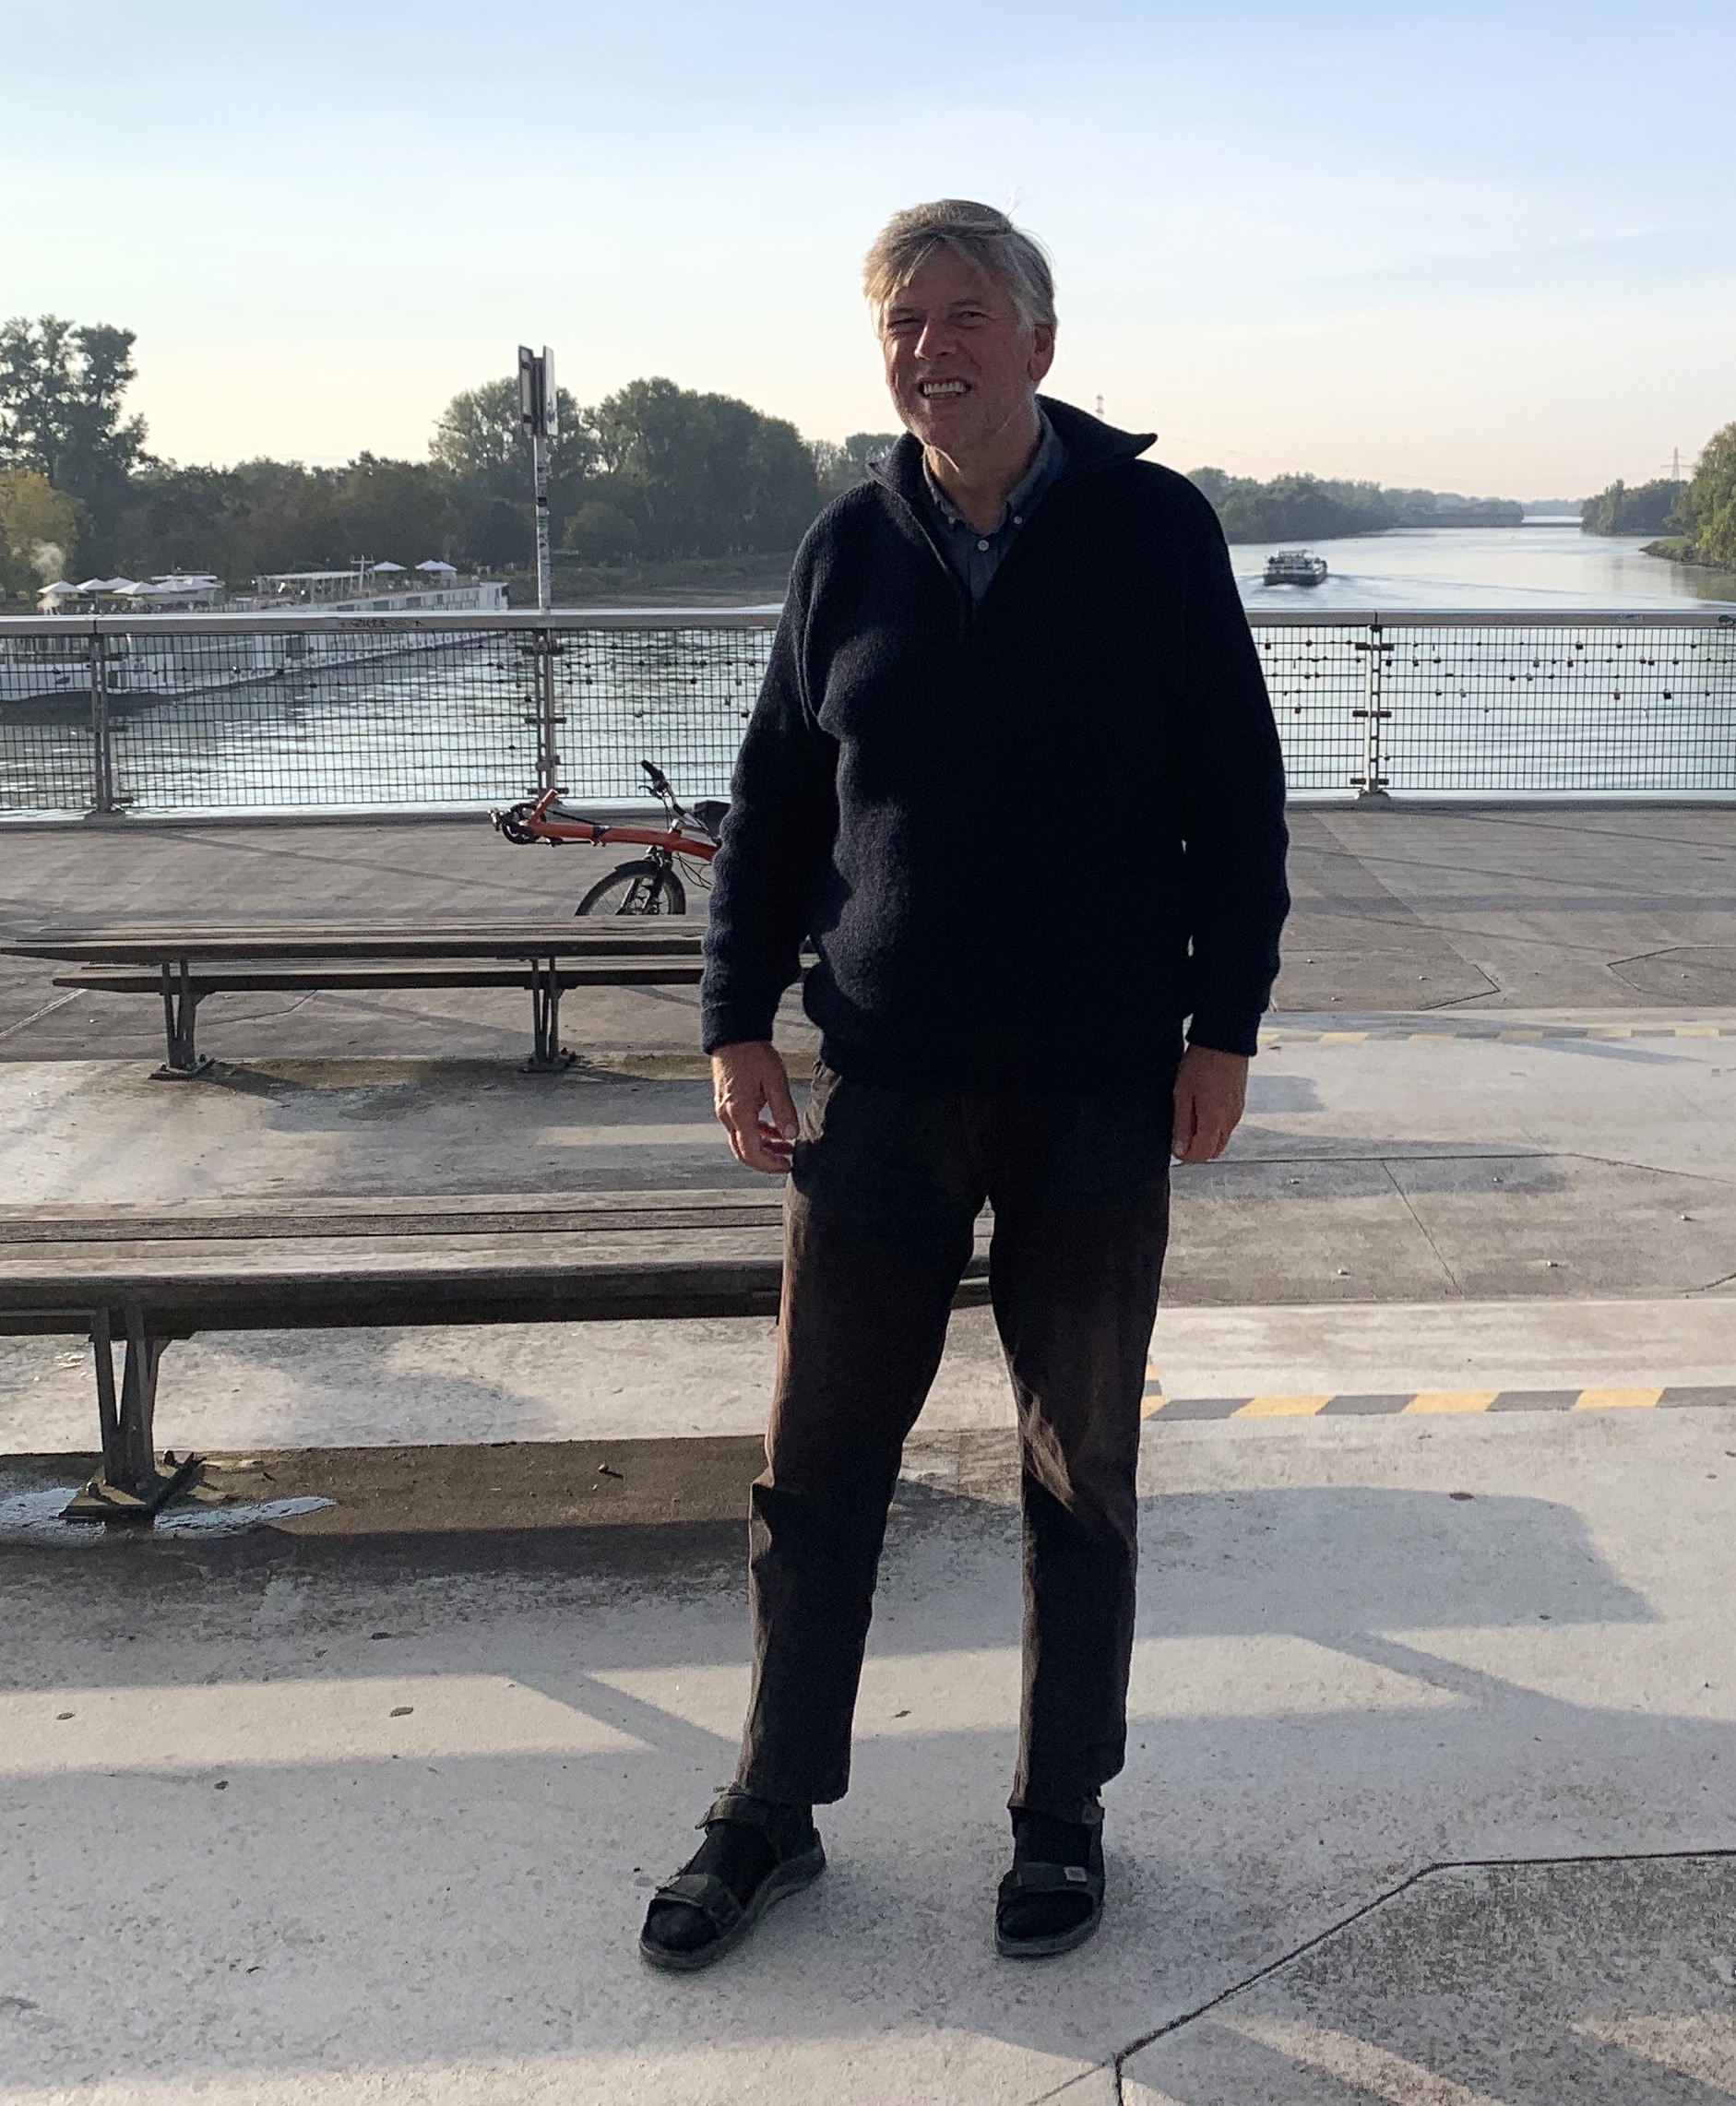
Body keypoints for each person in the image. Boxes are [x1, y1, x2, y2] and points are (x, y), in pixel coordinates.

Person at [639, 198, 1290, 1970]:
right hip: (888, 1084)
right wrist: (732, 1020)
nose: (931, 348)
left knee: (1079, 1465)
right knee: (816, 1459)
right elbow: (773, 802)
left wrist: (1220, 1027)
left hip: (1094, 1093)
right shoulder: (845, 543)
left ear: (1039, 341)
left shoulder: (1157, 533)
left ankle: (1058, 1809)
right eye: (902, 325)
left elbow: (1234, 798)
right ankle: (771, 1806)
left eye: (961, 316)